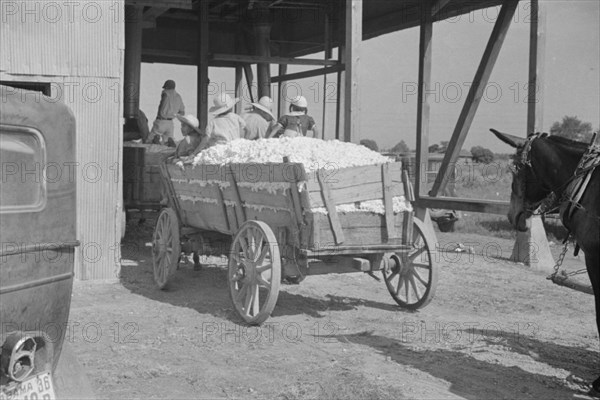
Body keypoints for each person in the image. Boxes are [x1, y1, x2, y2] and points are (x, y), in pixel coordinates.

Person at [146, 79, 185, 146]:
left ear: (167, 87)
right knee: (167, 142)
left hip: (161, 121)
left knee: (149, 141)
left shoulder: (165, 93)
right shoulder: (178, 97)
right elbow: (182, 112)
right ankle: (168, 142)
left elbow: (162, 104)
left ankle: (155, 139)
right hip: (170, 123)